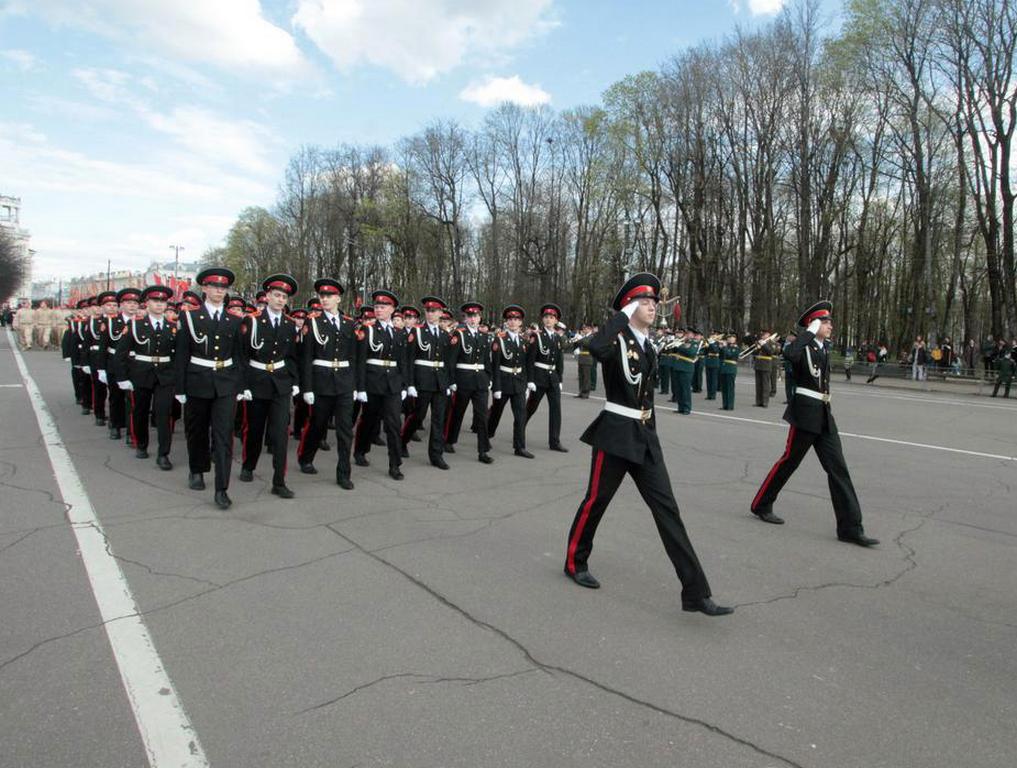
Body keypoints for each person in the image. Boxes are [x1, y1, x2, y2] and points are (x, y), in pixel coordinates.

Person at [563, 272, 732, 617]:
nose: (654, 306)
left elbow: (648, 396)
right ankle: (574, 561)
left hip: (644, 435)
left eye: (655, 301)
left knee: (667, 509)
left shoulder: (649, 344)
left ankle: (695, 592)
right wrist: (622, 314)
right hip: (614, 433)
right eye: (646, 301)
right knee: (596, 502)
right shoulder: (617, 339)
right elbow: (593, 347)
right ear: (630, 306)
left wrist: (651, 432)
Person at [749, 300, 878, 547]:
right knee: (789, 462)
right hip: (805, 414)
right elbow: (789, 355)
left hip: (824, 415)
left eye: (829, 321)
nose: (830, 325)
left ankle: (850, 527)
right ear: (814, 323)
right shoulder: (802, 346)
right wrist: (807, 332)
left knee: (838, 469)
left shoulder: (823, 348)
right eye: (825, 321)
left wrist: (814, 334)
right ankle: (761, 504)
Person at [174, 267, 247, 510]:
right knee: (197, 430)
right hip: (198, 379)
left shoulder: (235, 320)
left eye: (223, 287)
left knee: (223, 435)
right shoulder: (189, 317)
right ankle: (197, 470)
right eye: (214, 286)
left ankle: (222, 487)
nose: (219, 291)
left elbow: (239, 356)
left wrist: (239, 385)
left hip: (225, 382)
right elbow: (182, 354)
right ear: (204, 288)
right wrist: (180, 387)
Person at [238, 274, 300, 498]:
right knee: (254, 429)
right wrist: (242, 384)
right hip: (256, 380)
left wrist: (295, 381)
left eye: (284, 297)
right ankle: (248, 465)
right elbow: (242, 355)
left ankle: (279, 480)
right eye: (276, 295)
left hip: (280, 383)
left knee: (281, 432)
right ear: (267, 296)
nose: (280, 300)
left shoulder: (289, 324)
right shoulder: (252, 321)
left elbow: (293, 357)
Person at [297, 279, 357, 488]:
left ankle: (344, 473)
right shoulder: (312, 322)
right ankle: (305, 456)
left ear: (338, 299)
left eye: (329, 296)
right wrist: (307, 388)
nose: (324, 299)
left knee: (345, 429)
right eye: (322, 296)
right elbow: (306, 357)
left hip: (344, 382)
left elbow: (353, 357)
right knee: (318, 424)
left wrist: (356, 386)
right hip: (321, 381)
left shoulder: (349, 323)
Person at [111, 285, 176, 469]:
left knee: (164, 414)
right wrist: (122, 378)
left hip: (165, 375)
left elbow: (177, 355)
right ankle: (141, 444)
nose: (159, 305)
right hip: (141, 373)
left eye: (163, 301)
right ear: (147, 303)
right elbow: (120, 353)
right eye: (155, 301)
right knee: (140, 411)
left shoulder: (172, 327)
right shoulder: (135, 325)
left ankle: (164, 453)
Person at [353, 289, 410, 480]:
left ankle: (395, 464)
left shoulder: (398, 333)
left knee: (394, 423)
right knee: (369, 419)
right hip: (372, 382)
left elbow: (403, 362)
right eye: (377, 306)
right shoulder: (367, 330)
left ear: (392, 309)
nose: (378, 310)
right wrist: (360, 387)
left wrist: (405, 385)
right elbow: (360, 361)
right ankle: (361, 450)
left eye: (383, 307)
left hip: (392, 384)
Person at [399, 295, 453, 470]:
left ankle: (436, 455)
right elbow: (409, 359)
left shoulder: (445, 335)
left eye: (434, 311)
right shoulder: (417, 331)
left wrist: (449, 383)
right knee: (418, 416)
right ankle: (402, 440)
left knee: (438, 419)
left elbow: (448, 362)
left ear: (441, 313)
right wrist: (410, 384)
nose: (430, 314)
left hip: (440, 382)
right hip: (422, 380)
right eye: (428, 311)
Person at [444, 301, 495, 463]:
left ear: (480, 318)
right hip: (463, 379)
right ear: (465, 318)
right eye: (470, 316)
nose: (473, 319)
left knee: (481, 416)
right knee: (458, 412)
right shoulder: (458, 334)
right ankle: (449, 440)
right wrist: (451, 381)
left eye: (476, 316)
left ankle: (483, 450)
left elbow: (487, 360)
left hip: (480, 381)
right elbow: (451, 360)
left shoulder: (484, 336)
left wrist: (489, 377)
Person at [487, 305, 533, 458]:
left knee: (520, 416)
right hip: (504, 382)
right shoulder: (499, 339)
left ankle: (519, 447)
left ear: (521, 323)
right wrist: (496, 387)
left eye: (516, 319)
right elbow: (495, 365)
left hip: (519, 383)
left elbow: (525, 365)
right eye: (510, 319)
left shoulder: (523, 341)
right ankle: (487, 435)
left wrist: (526, 384)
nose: (513, 322)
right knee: (496, 413)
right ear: (506, 322)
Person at [525, 303, 568, 451]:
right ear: (543, 320)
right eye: (546, 317)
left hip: (553, 378)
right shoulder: (536, 336)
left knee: (556, 410)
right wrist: (530, 380)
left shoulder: (557, 338)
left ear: (556, 321)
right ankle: (519, 430)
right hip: (539, 377)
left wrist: (560, 379)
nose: (548, 320)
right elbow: (530, 360)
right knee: (531, 407)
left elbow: (559, 360)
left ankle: (554, 442)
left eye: (551, 317)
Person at [753, 331, 776, 407]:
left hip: (766, 365)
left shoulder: (771, 343)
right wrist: (757, 348)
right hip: (758, 365)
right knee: (758, 385)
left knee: (765, 385)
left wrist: (764, 345)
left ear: (769, 335)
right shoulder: (758, 342)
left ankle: (765, 402)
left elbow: (771, 352)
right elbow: (754, 353)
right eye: (762, 335)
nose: (763, 336)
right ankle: (758, 401)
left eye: (765, 335)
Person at [717, 333, 739, 410]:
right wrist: (720, 348)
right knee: (724, 388)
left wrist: (724, 347)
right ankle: (725, 405)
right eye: (729, 338)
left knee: (730, 388)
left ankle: (730, 405)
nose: (730, 339)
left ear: (735, 339)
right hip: (724, 368)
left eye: (732, 338)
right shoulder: (726, 346)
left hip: (731, 369)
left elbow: (729, 355)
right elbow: (720, 356)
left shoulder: (735, 347)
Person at [703, 334, 720, 400]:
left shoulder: (717, 343)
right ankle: (709, 394)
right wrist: (706, 346)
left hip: (714, 362)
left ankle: (713, 395)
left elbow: (715, 350)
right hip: (708, 362)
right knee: (708, 380)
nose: (711, 338)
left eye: (713, 336)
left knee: (713, 380)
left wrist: (711, 343)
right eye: (711, 336)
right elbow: (705, 352)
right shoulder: (709, 343)